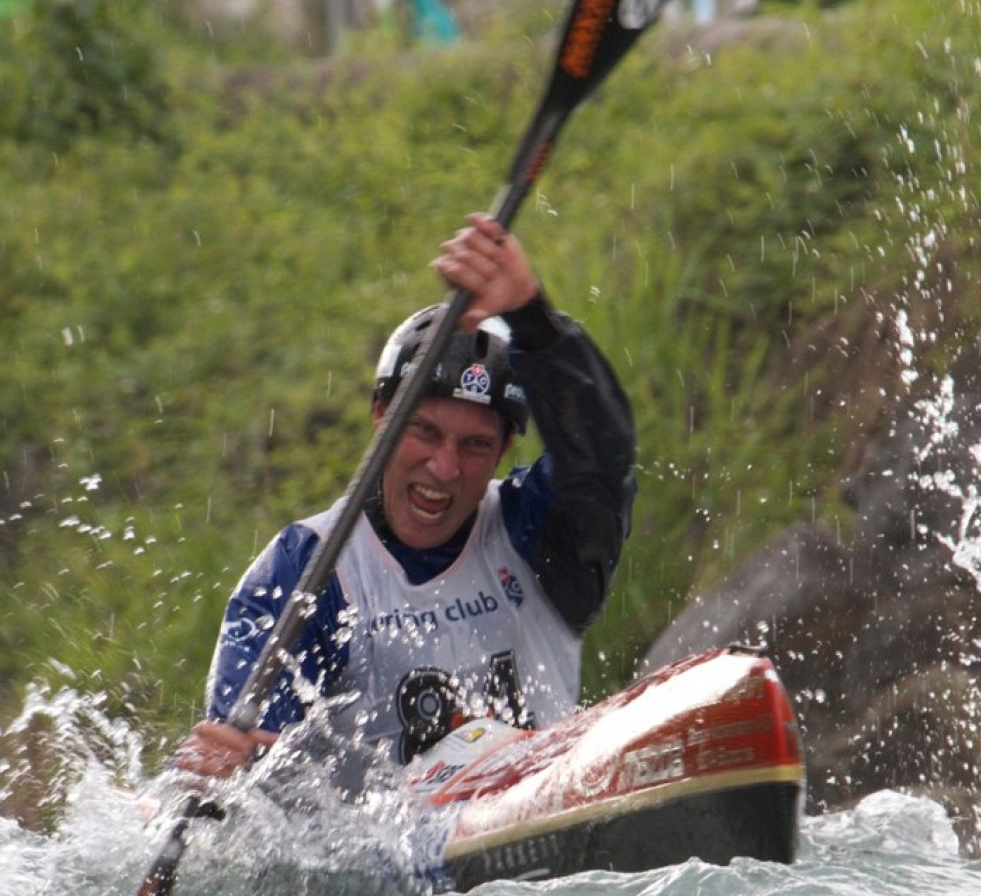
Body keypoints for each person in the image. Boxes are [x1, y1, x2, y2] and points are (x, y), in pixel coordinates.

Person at [174, 212, 635, 778]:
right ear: (380, 418)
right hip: (386, 854)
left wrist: (531, 316)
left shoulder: (538, 532)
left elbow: (602, 455)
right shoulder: (307, 569)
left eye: (474, 445)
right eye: (424, 432)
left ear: (504, 449)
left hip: (539, 813)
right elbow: (262, 782)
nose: (443, 468)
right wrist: (235, 764)